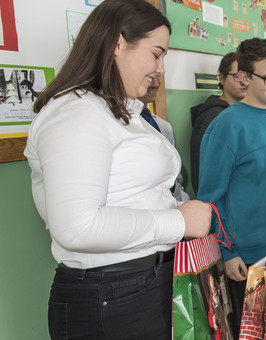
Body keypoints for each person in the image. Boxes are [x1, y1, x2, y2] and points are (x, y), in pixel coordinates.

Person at [24, 0, 212, 338]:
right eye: (156, 54)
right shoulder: (76, 113)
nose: (161, 69)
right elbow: (77, 227)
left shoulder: (121, 111)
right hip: (112, 295)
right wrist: (179, 221)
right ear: (118, 44)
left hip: (142, 284)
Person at [197, 37, 266, 336]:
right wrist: (227, 251)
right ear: (245, 76)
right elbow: (209, 196)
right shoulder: (225, 126)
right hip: (249, 259)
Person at [190, 52, 248, 193]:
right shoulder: (212, 116)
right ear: (222, 78)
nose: (243, 81)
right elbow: (202, 168)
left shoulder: (247, 112)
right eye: (236, 76)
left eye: (247, 76)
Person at [138, 76, 190, 202]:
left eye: (157, 77)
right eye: (149, 77)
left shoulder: (163, 126)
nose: (155, 84)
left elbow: (175, 179)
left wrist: (182, 203)